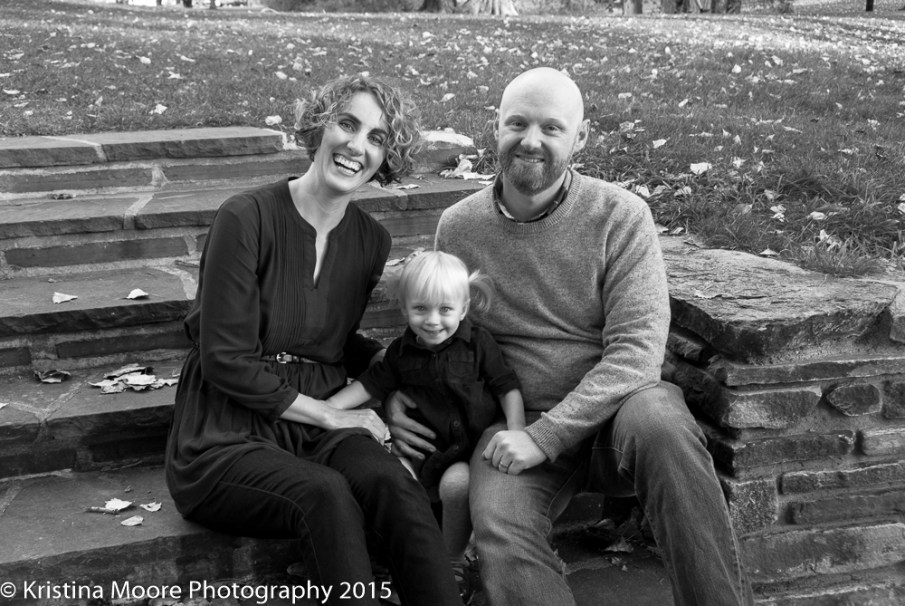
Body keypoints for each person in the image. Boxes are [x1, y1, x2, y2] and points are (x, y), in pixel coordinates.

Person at [386, 67, 754, 606]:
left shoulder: (621, 216)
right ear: (496, 127)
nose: (530, 140)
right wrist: (401, 393)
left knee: (663, 424)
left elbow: (637, 354)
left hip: (619, 414)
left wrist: (547, 436)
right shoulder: (459, 226)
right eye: (517, 123)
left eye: (551, 128)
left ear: (579, 138)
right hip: (515, 421)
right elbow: (441, 335)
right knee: (498, 521)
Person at [164, 75, 462, 606]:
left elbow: (333, 339)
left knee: (394, 485)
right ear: (319, 127)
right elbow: (225, 359)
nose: (357, 146)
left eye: (377, 138)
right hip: (226, 427)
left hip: (318, 414)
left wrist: (392, 380)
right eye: (347, 124)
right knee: (324, 494)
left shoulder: (371, 240)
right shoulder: (246, 217)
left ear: (386, 157)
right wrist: (331, 415)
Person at [319, 250, 525, 601]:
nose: (432, 321)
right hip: (416, 449)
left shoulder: (478, 345)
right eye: (420, 309)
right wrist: (327, 409)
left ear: (463, 308)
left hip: (462, 450)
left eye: (445, 309)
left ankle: (452, 559)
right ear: (404, 308)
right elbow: (371, 384)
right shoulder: (401, 352)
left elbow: (506, 386)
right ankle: (397, 558)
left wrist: (516, 428)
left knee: (457, 486)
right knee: (392, 481)